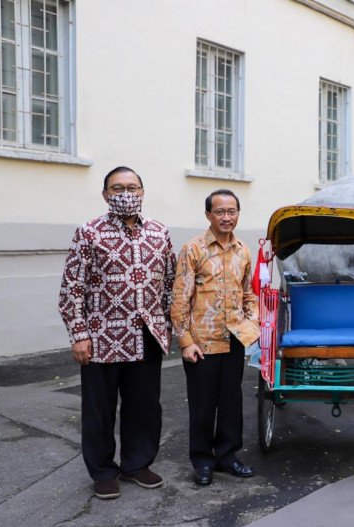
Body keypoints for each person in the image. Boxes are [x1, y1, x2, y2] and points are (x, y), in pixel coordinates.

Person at [58, 166, 176, 500]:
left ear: (142, 192)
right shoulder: (89, 232)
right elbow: (72, 287)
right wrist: (78, 334)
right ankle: (103, 471)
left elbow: (170, 283)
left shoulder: (159, 232)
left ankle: (137, 464)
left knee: (144, 406)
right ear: (105, 194)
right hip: (101, 338)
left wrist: (167, 326)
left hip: (146, 337)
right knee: (100, 410)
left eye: (133, 187)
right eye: (117, 188)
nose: (126, 193)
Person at [171, 189, 260, 486]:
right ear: (208, 214)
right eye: (220, 211)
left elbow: (249, 293)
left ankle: (227, 456)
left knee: (232, 402)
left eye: (232, 211)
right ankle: (203, 461)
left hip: (234, 338)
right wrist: (185, 342)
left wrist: (252, 324)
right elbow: (180, 300)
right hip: (202, 342)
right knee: (202, 405)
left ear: (238, 213)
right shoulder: (193, 249)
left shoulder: (244, 251)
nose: (227, 217)